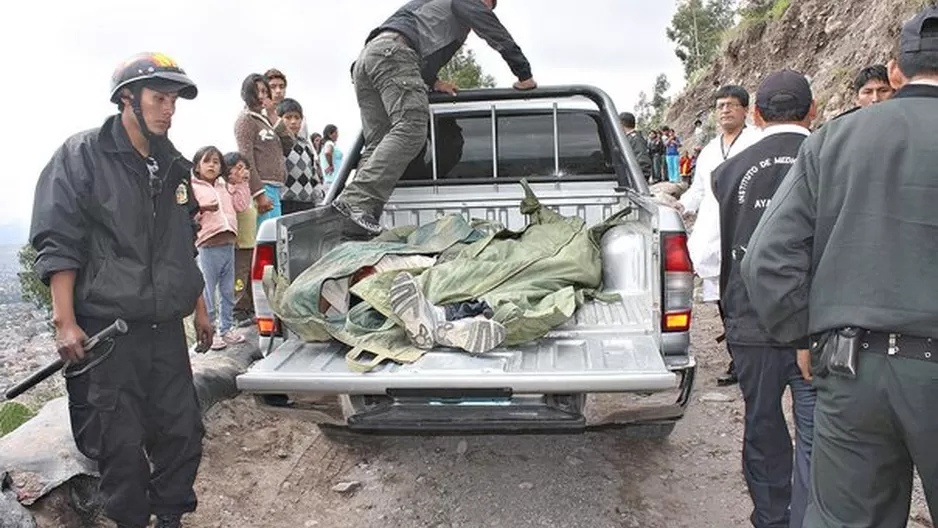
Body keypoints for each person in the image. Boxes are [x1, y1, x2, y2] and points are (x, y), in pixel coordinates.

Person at [741, 7, 938, 526]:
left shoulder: (833, 139)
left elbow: (766, 257)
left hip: (851, 368)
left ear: (895, 72)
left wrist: (802, 335)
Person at [27, 52, 214, 528]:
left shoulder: (173, 165)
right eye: (158, 98)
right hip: (107, 333)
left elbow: (182, 246)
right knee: (119, 440)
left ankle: (170, 516)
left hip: (164, 331)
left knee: (182, 429)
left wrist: (201, 309)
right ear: (126, 99)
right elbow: (59, 241)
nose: (168, 109)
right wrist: (65, 321)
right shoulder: (82, 156)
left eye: (174, 100)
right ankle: (132, 521)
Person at [332, 0, 537, 235]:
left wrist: (432, 81)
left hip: (368, 59)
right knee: (411, 128)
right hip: (394, 54)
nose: (484, 11)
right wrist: (524, 73)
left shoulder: (433, 7)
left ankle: (356, 219)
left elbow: (417, 37)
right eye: (487, 6)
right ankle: (356, 201)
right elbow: (492, 31)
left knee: (379, 141)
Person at [712, 69, 817, 528]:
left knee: (764, 425)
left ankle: (772, 518)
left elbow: (707, 252)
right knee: (819, 432)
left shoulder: (728, 170)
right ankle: (812, 517)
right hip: (820, 327)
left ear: (755, 114)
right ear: (814, 111)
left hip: (753, 322)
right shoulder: (832, 157)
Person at [678, 85, 763, 386]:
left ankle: (755, 359)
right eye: (720, 106)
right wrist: (681, 205)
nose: (725, 110)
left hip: (748, 230)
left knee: (750, 297)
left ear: (745, 110)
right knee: (724, 300)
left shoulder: (758, 142)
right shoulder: (711, 150)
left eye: (731, 105)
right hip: (714, 232)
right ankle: (737, 359)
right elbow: (698, 191)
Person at [190, 146, 251, 349]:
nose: (212, 165)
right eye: (207, 161)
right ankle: (212, 331)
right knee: (208, 291)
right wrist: (202, 209)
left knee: (228, 290)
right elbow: (188, 214)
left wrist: (241, 183)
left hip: (228, 245)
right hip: (207, 246)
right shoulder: (193, 188)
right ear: (197, 167)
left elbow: (241, 206)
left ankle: (226, 329)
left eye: (216, 162)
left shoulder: (224, 187)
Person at [233, 73, 294, 227]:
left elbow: (288, 144)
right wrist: (258, 193)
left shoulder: (265, 120)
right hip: (262, 187)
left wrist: (273, 115)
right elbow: (246, 159)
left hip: (275, 187)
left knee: (275, 236)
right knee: (266, 237)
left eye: (264, 92)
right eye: (257, 91)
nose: (261, 96)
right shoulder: (246, 119)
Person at [225, 152, 258, 320]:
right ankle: (238, 309)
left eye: (246, 168)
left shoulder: (246, 190)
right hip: (240, 244)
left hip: (250, 242)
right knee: (239, 277)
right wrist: (242, 185)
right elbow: (240, 206)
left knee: (251, 274)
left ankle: (252, 306)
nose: (244, 172)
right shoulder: (232, 190)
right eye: (238, 168)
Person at [278, 98, 324, 214]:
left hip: (307, 204)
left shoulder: (306, 146)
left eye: (297, 117)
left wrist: (318, 201)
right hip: (285, 203)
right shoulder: (277, 144)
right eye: (288, 117)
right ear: (279, 119)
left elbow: (313, 176)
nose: (293, 122)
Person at [618, 112, 653, 181]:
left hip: (637, 180)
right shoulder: (628, 138)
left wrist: (640, 180)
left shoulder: (636, 139)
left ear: (621, 124)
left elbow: (643, 161)